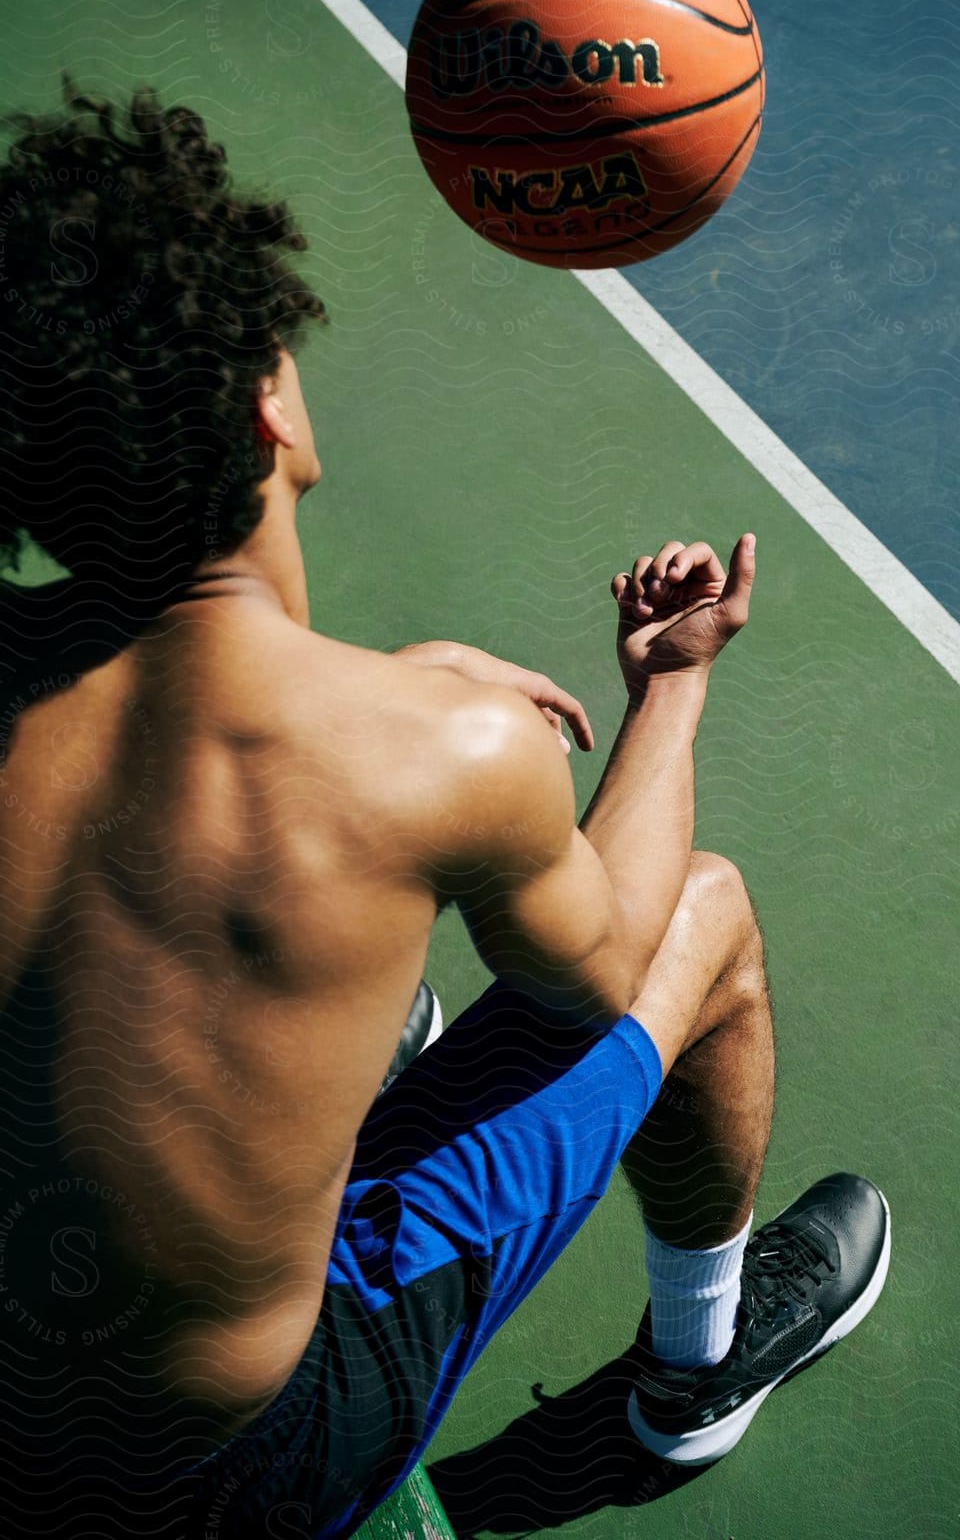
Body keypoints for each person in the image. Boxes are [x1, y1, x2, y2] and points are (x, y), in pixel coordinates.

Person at [0, 85, 889, 1540]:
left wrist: (387, 683)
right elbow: (599, 966)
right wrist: (671, 686)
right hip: (244, 1472)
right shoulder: (440, 755)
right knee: (704, 920)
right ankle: (700, 1369)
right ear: (270, 401)